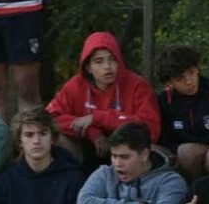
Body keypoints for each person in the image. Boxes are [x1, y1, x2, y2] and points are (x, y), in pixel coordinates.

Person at [47, 32, 160, 163]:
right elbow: (50, 118)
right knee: (58, 139)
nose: (107, 66)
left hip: (127, 152)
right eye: (99, 61)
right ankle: (73, 180)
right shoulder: (75, 85)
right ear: (88, 67)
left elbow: (150, 130)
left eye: (112, 59)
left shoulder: (138, 85)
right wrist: (91, 132)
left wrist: (98, 118)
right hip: (88, 148)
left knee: (152, 149)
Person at [154, 44, 209, 180]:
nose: (189, 81)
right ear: (169, 83)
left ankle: (200, 194)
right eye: (180, 78)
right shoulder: (164, 100)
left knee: (189, 152)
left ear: (198, 69)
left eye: (191, 72)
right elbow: (164, 138)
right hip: (178, 152)